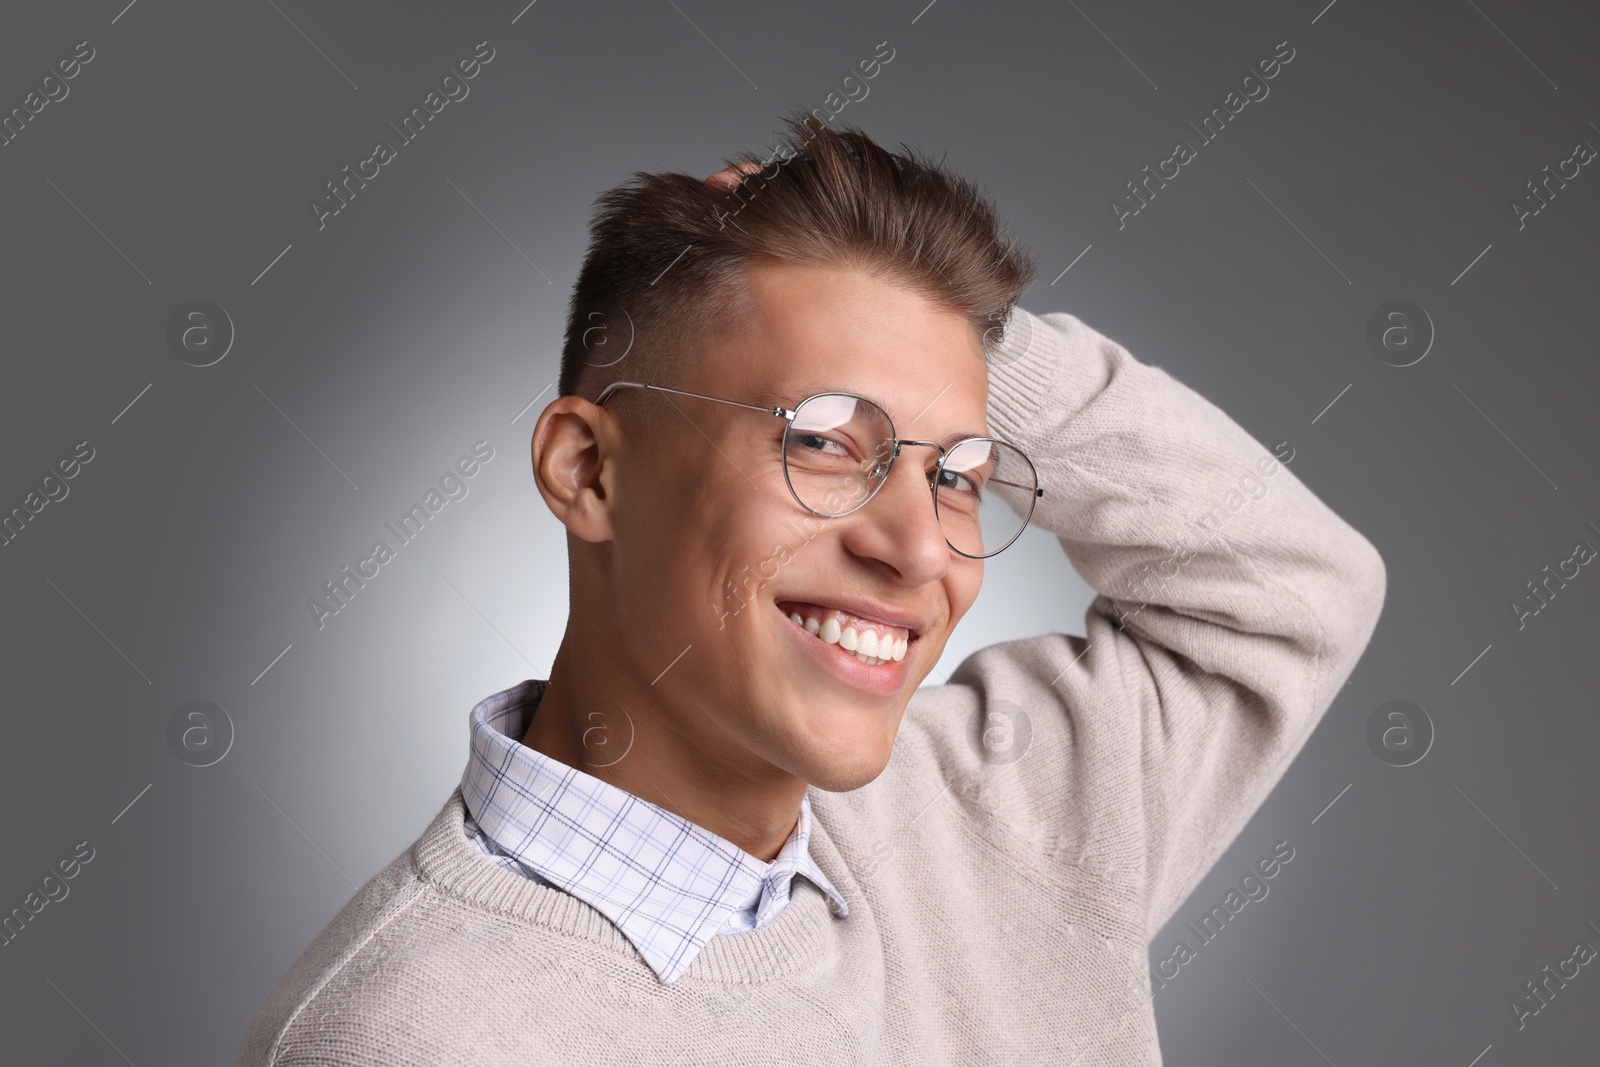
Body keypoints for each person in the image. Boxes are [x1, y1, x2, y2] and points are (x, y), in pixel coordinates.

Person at [236, 111, 1385, 1066]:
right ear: (589, 471)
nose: (922, 549)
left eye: (958, 476)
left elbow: (1282, 588)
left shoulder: (991, 819)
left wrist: (979, 347)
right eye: (827, 442)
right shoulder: (409, 1035)